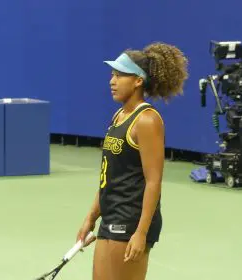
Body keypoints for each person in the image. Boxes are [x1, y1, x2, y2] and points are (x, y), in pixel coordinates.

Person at [76, 41, 188, 280]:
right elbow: (110, 176)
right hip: (111, 216)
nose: (112, 81)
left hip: (130, 221)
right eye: (112, 75)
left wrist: (141, 232)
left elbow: (153, 181)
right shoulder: (119, 116)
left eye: (120, 75)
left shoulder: (147, 121)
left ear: (138, 80)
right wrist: (90, 218)